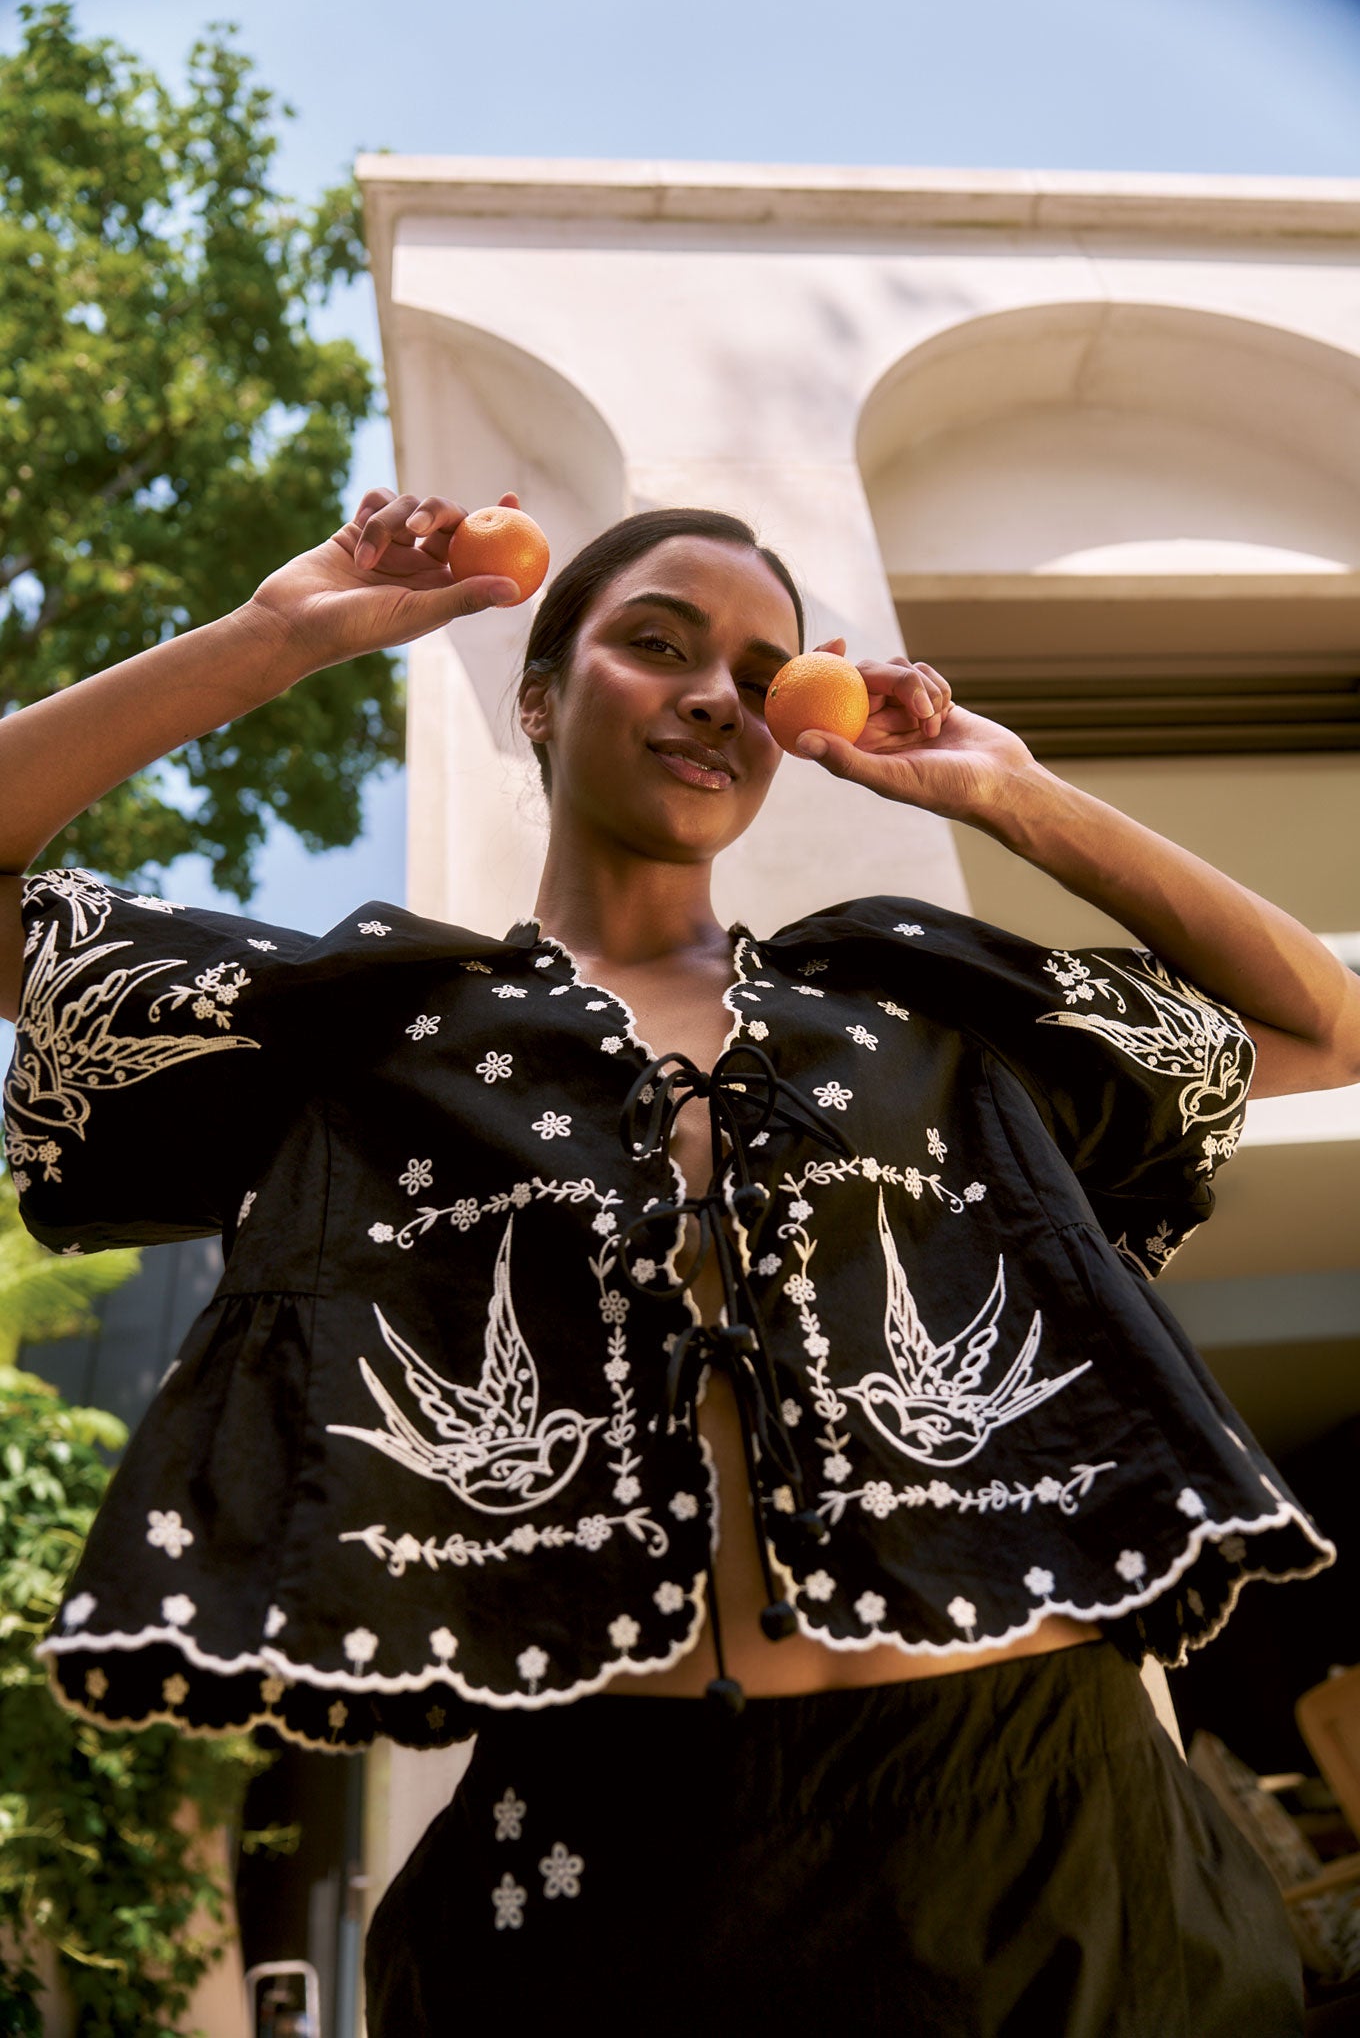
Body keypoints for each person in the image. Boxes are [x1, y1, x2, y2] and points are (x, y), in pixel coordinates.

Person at [2, 484, 1356, 2037]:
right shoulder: (373, 1022)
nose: (722, 696)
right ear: (539, 693)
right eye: (658, 643)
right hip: (599, 1879)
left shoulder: (918, 1002)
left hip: (1054, 1833)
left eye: (766, 677)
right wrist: (274, 638)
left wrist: (1009, 793)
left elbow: (1323, 1024)